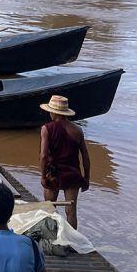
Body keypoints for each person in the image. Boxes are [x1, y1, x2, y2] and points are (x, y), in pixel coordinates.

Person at [39, 95, 90, 229]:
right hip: (73, 174)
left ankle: (51, 237)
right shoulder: (77, 130)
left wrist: (43, 176)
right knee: (71, 212)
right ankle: (73, 243)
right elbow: (85, 157)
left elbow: (43, 155)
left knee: (50, 208)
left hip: (53, 174)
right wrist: (86, 179)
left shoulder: (47, 128)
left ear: (53, 112)